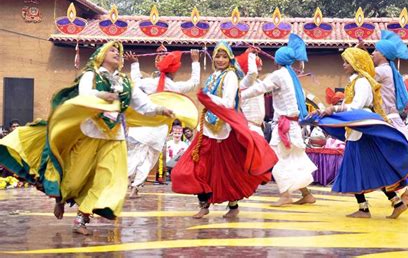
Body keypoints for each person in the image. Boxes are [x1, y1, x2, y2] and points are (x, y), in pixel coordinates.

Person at [0, 41, 175, 235]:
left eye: (119, 51)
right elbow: (85, 94)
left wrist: (161, 109)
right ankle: (61, 199)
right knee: (74, 180)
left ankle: (82, 218)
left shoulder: (126, 82)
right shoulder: (91, 75)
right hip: (89, 132)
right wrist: (102, 95)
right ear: (100, 54)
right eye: (112, 50)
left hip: (115, 137)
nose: (117, 53)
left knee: (107, 180)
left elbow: (144, 105)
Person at [171, 41, 278, 219]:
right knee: (199, 167)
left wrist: (207, 98)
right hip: (206, 128)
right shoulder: (214, 75)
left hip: (224, 129)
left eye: (224, 56)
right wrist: (206, 99)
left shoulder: (231, 76)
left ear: (229, 58)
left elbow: (228, 103)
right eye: (217, 56)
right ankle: (204, 204)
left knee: (228, 169)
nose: (220, 60)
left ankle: (233, 205)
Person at [316, 46, 408, 219]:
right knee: (371, 168)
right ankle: (396, 203)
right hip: (357, 128)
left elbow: (356, 106)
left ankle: (365, 209)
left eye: (347, 62)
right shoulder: (356, 81)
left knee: (354, 167)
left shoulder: (362, 82)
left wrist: (334, 108)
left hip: (361, 128)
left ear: (356, 63)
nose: (344, 65)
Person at [241, 34, 317, 206]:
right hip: (293, 125)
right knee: (295, 160)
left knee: (275, 159)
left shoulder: (279, 75)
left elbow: (260, 88)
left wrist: (240, 95)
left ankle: (285, 195)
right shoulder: (290, 75)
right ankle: (307, 194)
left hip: (285, 127)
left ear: (277, 60)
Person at [124, 48, 200, 195]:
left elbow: (135, 82)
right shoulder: (175, 87)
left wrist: (134, 64)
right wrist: (195, 61)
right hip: (159, 129)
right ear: (173, 72)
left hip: (141, 125)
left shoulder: (148, 83)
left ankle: (125, 179)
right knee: (149, 158)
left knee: (134, 154)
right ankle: (136, 186)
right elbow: (194, 82)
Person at [371, 30, 408, 207]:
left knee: (399, 156)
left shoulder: (381, 71)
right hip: (391, 119)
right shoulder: (388, 69)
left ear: (383, 55)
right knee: (406, 153)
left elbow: (361, 76)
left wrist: (356, 54)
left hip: (388, 121)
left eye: (374, 51)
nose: (372, 53)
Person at [236, 47, 265, 136]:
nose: (259, 71)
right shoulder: (244, 83)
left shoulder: (258, 83)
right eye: (258, 68)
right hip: (249, 128)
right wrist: (250, 55)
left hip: (257, 128)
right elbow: (252, 73)